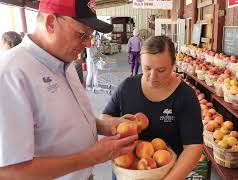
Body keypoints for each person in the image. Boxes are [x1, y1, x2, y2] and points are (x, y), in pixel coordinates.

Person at [0, 0, 138, 180]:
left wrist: (103, 126)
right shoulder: (11, 74)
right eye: (82, 35)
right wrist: (91, 157)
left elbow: (62, 120)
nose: (89, 44)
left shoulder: (65, 60)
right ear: (50, 23)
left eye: (90, 35)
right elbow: (9, 172)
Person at [101, 36, 203, 180]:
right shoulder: (127, 87)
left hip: (167, 173)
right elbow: (105, 117)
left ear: (174, 65)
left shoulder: (185, 96)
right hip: (126, 171)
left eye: (161, 70)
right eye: (147, 68)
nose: (152, 77)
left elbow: (193, 147)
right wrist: (120, 125)